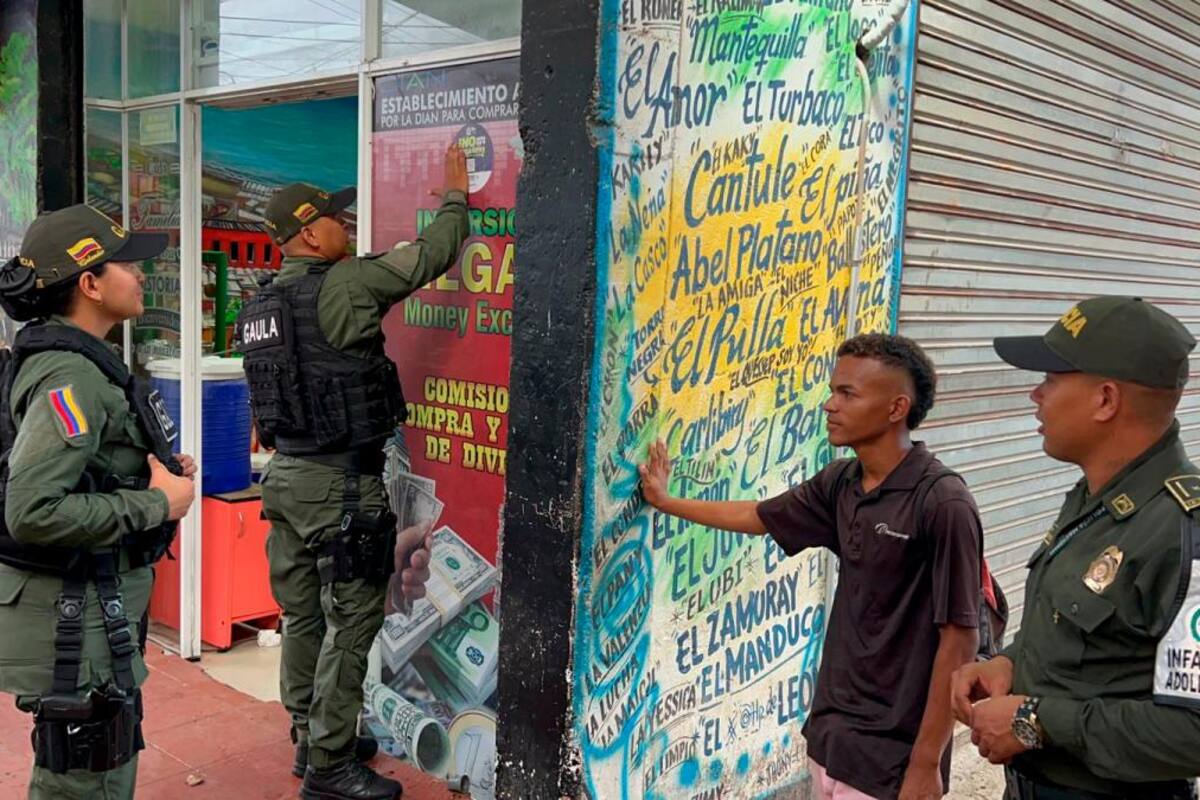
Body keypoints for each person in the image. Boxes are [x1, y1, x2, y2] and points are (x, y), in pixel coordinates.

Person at [640, 333, 982, 800]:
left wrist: (925, 764)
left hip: (891, 759)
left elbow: (960, 640)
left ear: (896, 407)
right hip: (831, 737)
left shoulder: (942, 502)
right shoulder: (841, 483)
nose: (829, 405)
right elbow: (759, 516)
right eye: (832, 390)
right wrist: (667, 501)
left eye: (848, 394)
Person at [243, 143, 469, 800]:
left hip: (284, 481)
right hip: (341, 483)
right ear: (309, 232)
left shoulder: (263, 306)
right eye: (336, 219)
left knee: (303, 616)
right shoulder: (345, 282)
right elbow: (430, 255)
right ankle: (330, 766)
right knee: (352, 621)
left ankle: (309, 736)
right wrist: (455, 198)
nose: (347, 227)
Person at [952, 296, 1200, 799]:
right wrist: (1010, 663)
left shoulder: (1181, 531)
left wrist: (1032, 721)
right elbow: (1087, 638)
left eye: (1051, 379)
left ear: (1106, 400)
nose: (1035, 395)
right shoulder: (1097, 498)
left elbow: (1191, 734)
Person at [0, 204, 198, 799]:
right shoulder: (72, 377)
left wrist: (147, 475)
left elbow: (85, 467)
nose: (140, 276)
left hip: (88, 608)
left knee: (92, 764)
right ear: (89, 284)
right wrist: (156, 506)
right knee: (86, 775)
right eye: (127, 266)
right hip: (75, 617)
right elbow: (31, 509)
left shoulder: (77, 363)